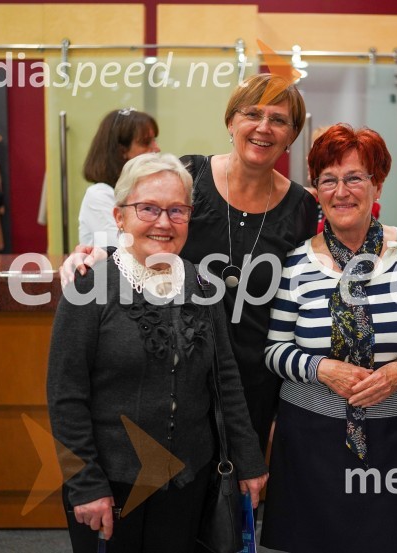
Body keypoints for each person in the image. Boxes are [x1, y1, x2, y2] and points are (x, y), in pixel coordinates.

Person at [61, 74, 317, 460]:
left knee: (237, 501)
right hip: (175, 370)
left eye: (279, 120)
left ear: (292, 134)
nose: (264, 127)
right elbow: (143, 237)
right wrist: (98, 254)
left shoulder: (301, 206)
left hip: (254, 382)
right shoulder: (189, 175)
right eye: (252, 114)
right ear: (231, 122)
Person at [48, 153, 267, 552]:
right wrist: (85, 483)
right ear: (119, 217)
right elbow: (66, 397)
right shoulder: (88, 288)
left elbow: (226, 380)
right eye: (148, 208)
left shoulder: (203, 282)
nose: (163, 222)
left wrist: (249, 461)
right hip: (111, 486)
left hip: (189, 481)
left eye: (177, 210)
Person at [261, 124, 397, 553]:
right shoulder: (296, 262)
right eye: (329, 180)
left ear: (376, 184)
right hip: (309, 438)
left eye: (355, 177)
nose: (342, 191)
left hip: (393, 437)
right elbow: (274, 350)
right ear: (316, 190)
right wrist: (323, 369)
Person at [78, 108, 160, 246]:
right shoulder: (99, 195)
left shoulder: (144, 191)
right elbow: (122, 248)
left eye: (154, 140)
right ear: (122, 151)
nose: (157, 148)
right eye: (146, 142)